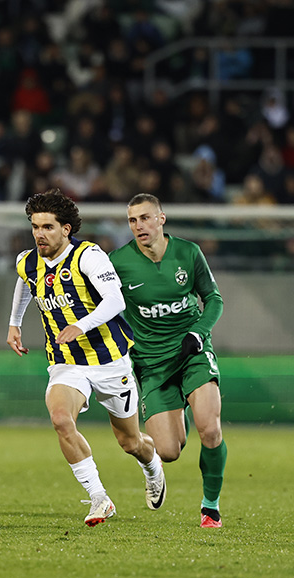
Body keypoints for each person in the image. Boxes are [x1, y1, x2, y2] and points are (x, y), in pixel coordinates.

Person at [7, 188, 165, 526]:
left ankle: (151, 466)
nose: (39, 234)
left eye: (47, 227)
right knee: (61, 419)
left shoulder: (89, 257)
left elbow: (115, 302)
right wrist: (14, 323)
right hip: (67, 362)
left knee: (130, 441)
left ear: (66, 229)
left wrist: (81, 325)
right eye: (35, 227)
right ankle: (99, 498)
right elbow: (25, 283)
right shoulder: (28, 261)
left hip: (110, 361)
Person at [110, 193, 229, 528]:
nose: (139, 226)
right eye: (133, 220)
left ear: (161, 218)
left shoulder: (188, 253)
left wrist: (199, 332)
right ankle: (179, 411)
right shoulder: (117, 263)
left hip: (192, 351)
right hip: (151, 364)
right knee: (169, 451)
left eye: (145, 218)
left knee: (210, 428)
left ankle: (210, 507)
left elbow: (214, 299)